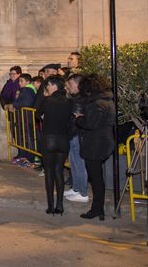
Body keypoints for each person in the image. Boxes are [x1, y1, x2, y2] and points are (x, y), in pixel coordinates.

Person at [75, 74, 116, 220]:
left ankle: (97, 209)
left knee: (96, 178)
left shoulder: (97, 103)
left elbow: (90, 124)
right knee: (97, 177)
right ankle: (98, 209)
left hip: (95, 144)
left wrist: (79, 118)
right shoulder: (106, 100)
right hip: (102, 141)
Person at [37, 76, 72, 215]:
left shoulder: (48, 100)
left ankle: (50, 206)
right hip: (63, 139)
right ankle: (60, 206)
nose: (47, 89)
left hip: (49, 139)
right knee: (59, 171)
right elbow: (72, 121)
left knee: (49, 172)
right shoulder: (69, 101)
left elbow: (37, 113)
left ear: (54, 86)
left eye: (48, 86)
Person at [64, 74, 89, 203]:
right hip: (73, 134)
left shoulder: (79, 99)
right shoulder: (75, 98)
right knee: (74, 163)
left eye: (71, 84)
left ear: (78, 84)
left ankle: (83, 192)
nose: (68, 86)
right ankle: (76, 188)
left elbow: (75, 118)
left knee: (79, 163)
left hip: (76, 134)